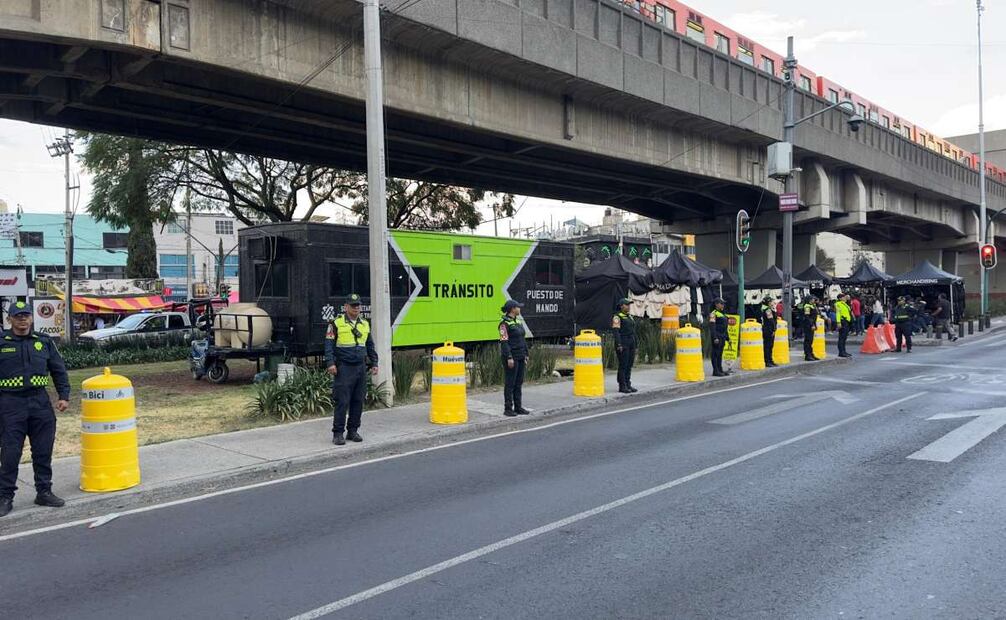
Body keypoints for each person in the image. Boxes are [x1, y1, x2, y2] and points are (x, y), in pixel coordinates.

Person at [0, 301, 70, 518]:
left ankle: (44, 491)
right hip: (10, 404)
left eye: (26, 315)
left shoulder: (44, 341)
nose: (22, 319)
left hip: (40, 402)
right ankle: (5, 496)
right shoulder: (2, 342)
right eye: (17, 315)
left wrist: (64, 396)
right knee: (10, 452)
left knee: (42, 450)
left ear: (31, 318)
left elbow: (58, 369)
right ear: (9, 319)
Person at [325, 294, 379, 446]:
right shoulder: (335, 323)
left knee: (358, 400)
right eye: (353, 305)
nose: (356, 308)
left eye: (358, 305)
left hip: (360, 367)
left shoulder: (364, 324)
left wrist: (374, 362)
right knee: (342, 401)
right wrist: (330, 363)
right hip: (344, 367)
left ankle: (353, 431)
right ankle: (338, 433)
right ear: (346, 307)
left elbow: (370, 345)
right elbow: (328, 345)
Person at [499, 300, 530, 415]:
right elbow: (504, 342)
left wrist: (526, 354)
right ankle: (508, 409)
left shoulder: (518, 321)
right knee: (510, 383)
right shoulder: (504, 324)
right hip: (512, 357)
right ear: (512, 309)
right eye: (518, 307)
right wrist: (509, 357)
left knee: (518, 382)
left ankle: (518, 407)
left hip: (521, 356)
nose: (520, 309)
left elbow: (523, 339)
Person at [612, 298, 638, 393]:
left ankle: (628, 384)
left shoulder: (629, 316)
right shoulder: (617, 317)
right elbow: (616, 332)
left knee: (629, 364)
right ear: (621, 306)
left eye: (629, 305)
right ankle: (622, 386)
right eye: (627, 305)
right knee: (623, 364)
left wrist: (636, 343)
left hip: (631, 342)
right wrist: (619, 344)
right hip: (623, 342)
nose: (628, 306)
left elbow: (633, 331)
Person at [710, 298, 730, 377]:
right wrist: (715, 337)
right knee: (715, 354)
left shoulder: (722, 313)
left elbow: (725, 327)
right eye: (721, 303)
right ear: (716, 304)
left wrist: (727, 337)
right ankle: (715, 371)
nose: (723, 305)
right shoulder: (713, 314)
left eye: (723, 304)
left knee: (720, 354)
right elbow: (712, 327)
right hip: (717, 336)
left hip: (722, 336)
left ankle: (720, 369)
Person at [759, 294, 777, 367]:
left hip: (766, 328)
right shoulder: (767, 310)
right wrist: (773, 329)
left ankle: (770, 360)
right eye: (770, 302)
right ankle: (768, 361)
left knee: (769, 346)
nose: (772, 303)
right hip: (768, 329)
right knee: (768, 346)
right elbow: (771, 320)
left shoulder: (764, 308)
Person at [835, 293, 853, 358]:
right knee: (842, 338)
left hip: (846, 322)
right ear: (840, 298)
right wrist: (838, 322)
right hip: (842, 321)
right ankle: (841, 352)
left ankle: (844, 351)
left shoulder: (845, 304)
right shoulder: (838, 304)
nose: (845, 298)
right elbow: (838, 313)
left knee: (844, 337)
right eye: (843, 297)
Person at [802, 296, 820, 361]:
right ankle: (807, 355)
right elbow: (807, 317)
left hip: (812, 324)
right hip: (808, 325)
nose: (814, 300)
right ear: (809, 300)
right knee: (808, 340)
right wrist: (812, 324)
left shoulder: (812, 306)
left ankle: (811, 354)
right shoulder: (807, 306)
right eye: (812, 299)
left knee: (811, 340)